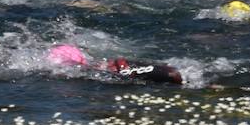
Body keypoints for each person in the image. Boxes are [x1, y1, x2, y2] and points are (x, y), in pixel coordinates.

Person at [47, 44, 183, 85]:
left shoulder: (87, 70)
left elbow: (119, 62)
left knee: (175, 75)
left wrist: (122, 68)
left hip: (125, 68)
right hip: (126, 69)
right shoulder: (87, 71)